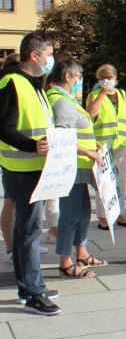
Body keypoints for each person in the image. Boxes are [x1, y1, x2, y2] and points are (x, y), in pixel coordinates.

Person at [0, 32, 61, 315]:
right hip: (22, 168)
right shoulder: (11, 81)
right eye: (49, 54)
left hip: (35, 167)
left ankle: (29, 287)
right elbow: (3, 127)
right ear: (34, 56)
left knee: (29, 229)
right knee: (28, 231)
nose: (52, 60)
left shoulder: (33, 84)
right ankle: (33, 292)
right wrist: (32, 145)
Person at [46, 60, 107, 278]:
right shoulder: (61, 102)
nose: (81, 80)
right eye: (79, 76)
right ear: (68, 77)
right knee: (70, 214)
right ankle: (65, 261)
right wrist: (88, 152)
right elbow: (61, 138)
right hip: (72, 165)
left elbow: (80, 129)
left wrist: (93, 145)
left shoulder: (67, 99)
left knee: (82, 210)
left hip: (80, 166)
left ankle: (81, 252)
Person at [85, 64, 126, 230]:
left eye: (110, 77)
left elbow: (124, 115)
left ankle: (120, 213)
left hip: (122, 142)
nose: (108, 80)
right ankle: (103, 216)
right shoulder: (94, 95)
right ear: (99, 80)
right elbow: (91, 114)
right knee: (104, 180)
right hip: (103, 143)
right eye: (104, 78)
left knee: (121, 179)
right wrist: (102, 93)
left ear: (115, 78)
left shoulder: (122, 94)